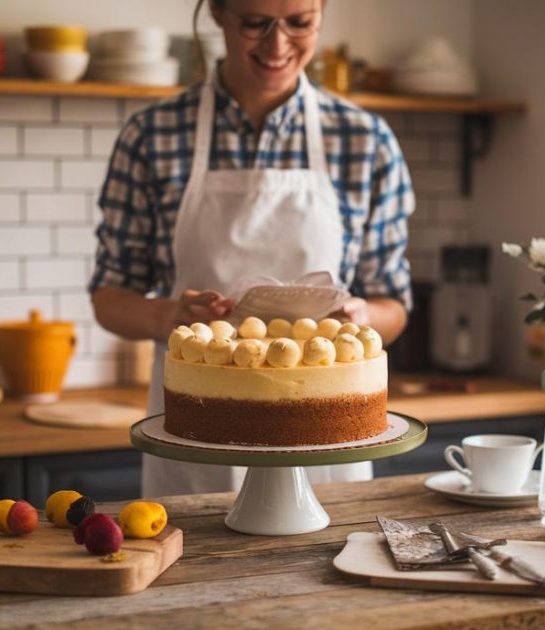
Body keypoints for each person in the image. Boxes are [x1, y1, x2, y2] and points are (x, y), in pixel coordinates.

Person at [90, 0, 415, 498]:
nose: (278, 44)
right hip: (198, 438)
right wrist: (169, 317)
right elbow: (110, 296)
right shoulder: (151, 136)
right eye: (255, 23)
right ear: (218, 14)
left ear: (322, 15)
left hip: (325, 448)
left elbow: (394, 303)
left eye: (300, 23)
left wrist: (364, 315)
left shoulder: (364, 140)